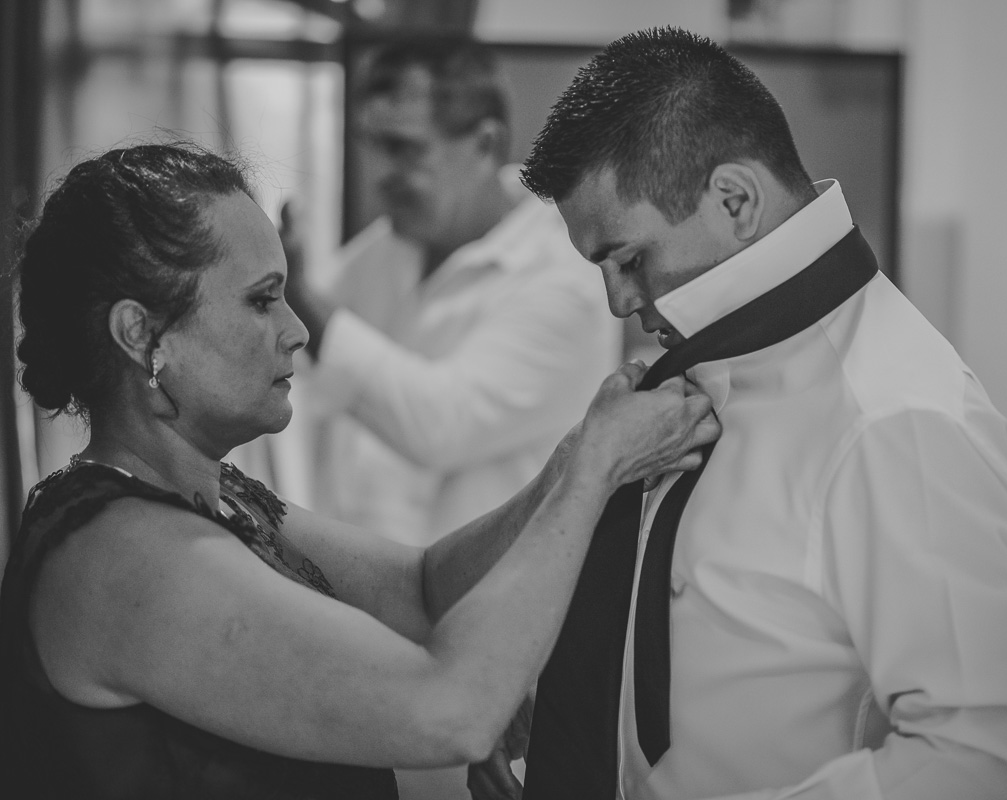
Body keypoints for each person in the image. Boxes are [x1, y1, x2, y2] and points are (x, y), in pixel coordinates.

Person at [0, 142, 719, 799]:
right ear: (141, 333)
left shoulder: (216, 498)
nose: (297, 329)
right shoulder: (124, 559)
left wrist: (573, 458)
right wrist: (595, 474)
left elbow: (422, 589)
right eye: (260, 299)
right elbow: (451, 712)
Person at [479, 27, 1007, 800]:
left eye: (629, 260)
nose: (619, 300)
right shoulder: (698, 374)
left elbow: (990, 763)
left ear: (736, 200)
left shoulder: (899, 421)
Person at [281, 37, 621, 549]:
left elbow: (442, 422)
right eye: (372, 145)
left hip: (486, 604)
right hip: (363, 586)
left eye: (404, 149)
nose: (380, 175)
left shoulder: (564, 279)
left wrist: (302, 297)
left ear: (485, 143)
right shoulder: (390, 245)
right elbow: (295, 350)